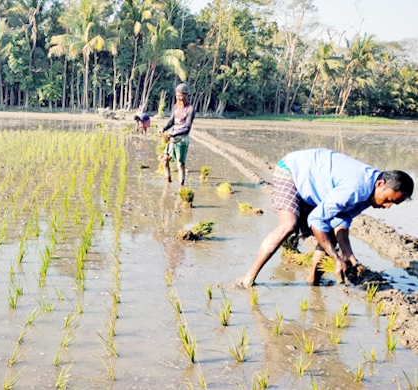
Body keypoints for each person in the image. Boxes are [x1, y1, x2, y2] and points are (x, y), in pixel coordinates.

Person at [237, 148, 413, 288]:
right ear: (380, 184)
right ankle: (248, 277)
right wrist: (336, 259)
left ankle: (312, 281)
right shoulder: (356, 188)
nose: (387, 206)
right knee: (289, 224)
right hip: (291, 171)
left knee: (328, 235)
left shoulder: (371, 195)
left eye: (393, 204)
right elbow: (316, 220)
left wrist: (347, 252)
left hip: (316, 183)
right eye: (389, 200)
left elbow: (341, 220)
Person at [159, 83, 195, 185]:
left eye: (181, 95)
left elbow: (187, 128)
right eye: (177, 95)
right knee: (165, 160)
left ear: (186, 95)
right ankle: (168, 182)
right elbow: (171, 121)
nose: (179, 98)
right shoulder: (175, 107)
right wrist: (163, 128)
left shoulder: (190, 109)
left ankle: (181, 185)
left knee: (180, 164)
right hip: (172, 138)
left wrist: (172, 134)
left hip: (182, 139)